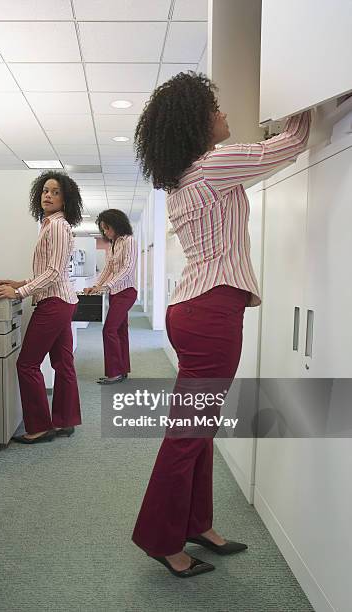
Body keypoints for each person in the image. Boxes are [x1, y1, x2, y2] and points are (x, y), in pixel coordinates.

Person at [131, 72, 311, 577]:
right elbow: (292, 143)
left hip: (194, 309)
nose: (225, 114)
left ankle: (197, 522)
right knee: (189, 432)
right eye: (216, 108)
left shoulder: (184, 179)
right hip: (211, 312)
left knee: (198, 427)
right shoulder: (213, 166)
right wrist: (305, 86)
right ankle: (161, 538)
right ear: (197, 123)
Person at [0, 172, 83, 444]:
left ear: (66, 199)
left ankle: (41, 426)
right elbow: (49, 271)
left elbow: (54, 272)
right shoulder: (51, 225)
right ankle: (65, 420)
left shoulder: (56, 226)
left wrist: (19, 291)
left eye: (55, 192)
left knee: (27, 364)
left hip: (54, 303)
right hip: (61, 300)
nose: (48, 196)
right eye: (45, 190)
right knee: (63, 363)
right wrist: (21, 281)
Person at [84, 209, 137, 385]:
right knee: (120, 331)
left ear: (116, 224)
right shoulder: (113, 243)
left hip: (127, 292)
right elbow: (107, 269)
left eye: (107, 228)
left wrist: (107, 286)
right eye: (103, 229)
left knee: (109, 330)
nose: (105, 232)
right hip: (115, 293)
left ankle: (114, 373)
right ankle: (123, 370)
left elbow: (127, 269)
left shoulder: (129, 241)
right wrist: (97, 285)